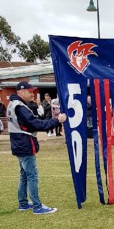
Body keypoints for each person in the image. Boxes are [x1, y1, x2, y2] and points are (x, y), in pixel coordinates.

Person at [7, 81, 67, 214]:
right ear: (21, 92)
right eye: (29, 91)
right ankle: (37, 206)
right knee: (32, 175)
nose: (32, 93)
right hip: (25, 144)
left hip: (18, 144)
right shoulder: (20, 106)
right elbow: (36, 124)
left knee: (24, 175)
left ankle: (23, 203)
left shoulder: (13, 104)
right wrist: (57, 120)